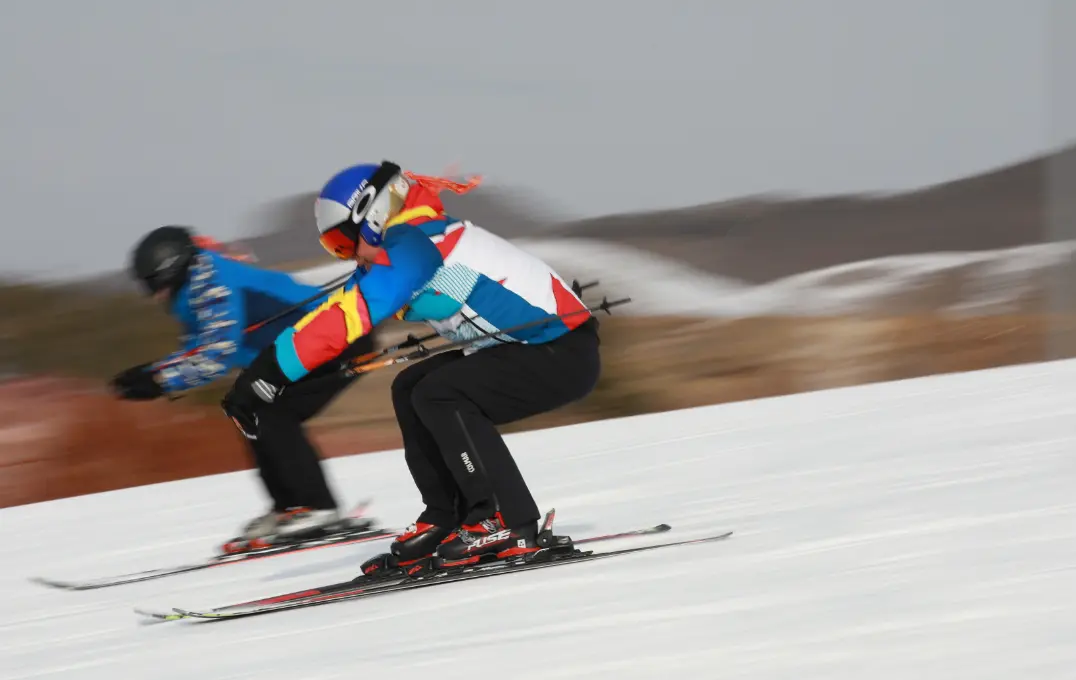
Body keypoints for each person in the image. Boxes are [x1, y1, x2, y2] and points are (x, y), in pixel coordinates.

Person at [221, 161, 602, 573]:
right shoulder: (408, 242)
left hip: (560, 352)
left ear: (374, 213)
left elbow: (349, 317)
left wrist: (267, 374)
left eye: (344, 242)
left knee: (442, 393)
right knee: (412, 385)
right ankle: (446, 516)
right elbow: (329, 316)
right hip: (528, 348)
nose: (347, 254)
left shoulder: (413, 243)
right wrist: (269, 373)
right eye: (336, 249)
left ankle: (506, 522)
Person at [110, 225, 377, 552]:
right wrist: (152, 373)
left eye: (154, 285)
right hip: (306, 347)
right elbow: (200, 347)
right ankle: (289, 508)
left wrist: (158, 381)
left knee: (273, 413)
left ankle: (320, 509)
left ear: (171, 271)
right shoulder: (194, 290)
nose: (153, 296)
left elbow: (217, 355)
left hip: (342, 337)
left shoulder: (214, 284)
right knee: (249, 410)